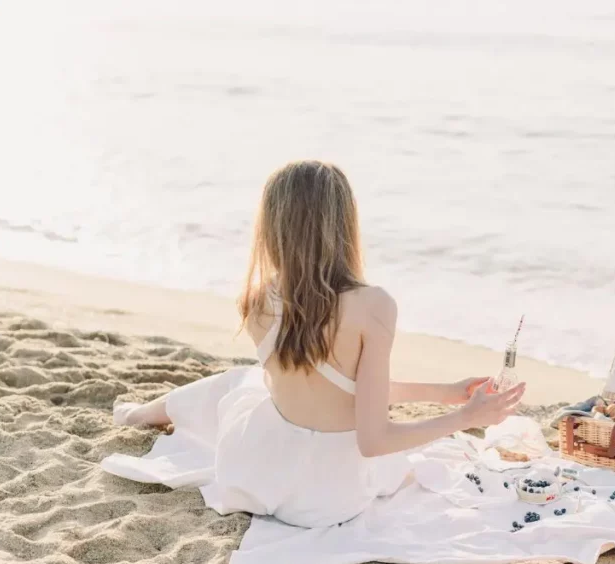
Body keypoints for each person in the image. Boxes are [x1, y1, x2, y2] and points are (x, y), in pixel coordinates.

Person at [101, 160, 527, 528]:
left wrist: (445, 393)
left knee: (239, 384)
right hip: (333, 497)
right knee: (243, 384)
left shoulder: (257, 299)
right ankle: (144, 412)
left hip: (263, 476)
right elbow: (372, 439)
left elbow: (333, 391)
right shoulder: (373, 306)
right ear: (343, 224)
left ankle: (140, 413)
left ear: (273, 227)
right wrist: (466, 416)